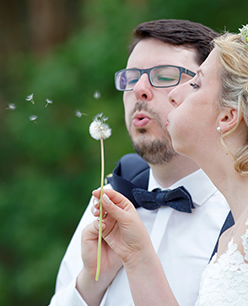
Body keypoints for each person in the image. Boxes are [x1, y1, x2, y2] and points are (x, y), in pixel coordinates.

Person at [90, 22, 248, 305]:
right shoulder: (232, 235)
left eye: (195, 84)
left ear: (228, 116)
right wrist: (136, 256)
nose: (173, 95)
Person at [49, 19, 232, 306]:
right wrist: (91, 282)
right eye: (131, 78)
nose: (139, 90)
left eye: (164, 76)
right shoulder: (111, 195)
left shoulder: (243, 212)